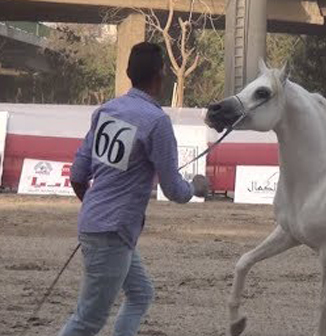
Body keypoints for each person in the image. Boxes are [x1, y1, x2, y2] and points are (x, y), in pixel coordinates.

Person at [58, 42, 209, 336]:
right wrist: (196, 187)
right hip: (114, 231)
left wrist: (95, 210)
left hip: (102, 226)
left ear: (129, 73)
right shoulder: (157, 122)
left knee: (141, 294)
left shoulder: (107, 111)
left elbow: (78, 174)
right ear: (160, 75)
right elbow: (174, 189)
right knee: (87, 321)